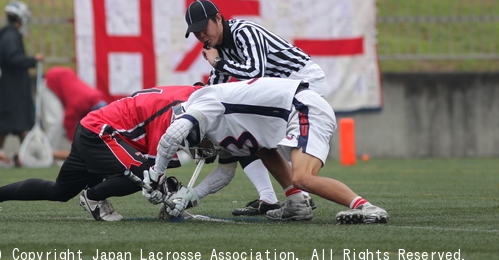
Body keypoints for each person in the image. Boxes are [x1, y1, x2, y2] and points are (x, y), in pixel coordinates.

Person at [144, 77, 389, 224]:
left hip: (302, 108)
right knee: (260, 147)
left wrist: (156, 175)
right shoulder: (212, 123)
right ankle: (296, 203)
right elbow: (225, 173)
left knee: (303, 177)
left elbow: (171, 136)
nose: (203, 151)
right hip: (293, 111)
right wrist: (192, 196)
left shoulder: (203, 103)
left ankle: (365, 207)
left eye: (198, 145)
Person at [0, 84, 202, 222]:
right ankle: (93, 197)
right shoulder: (173, 112)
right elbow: (153, 169)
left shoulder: (192, 95)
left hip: (93, 129)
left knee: (59, 191)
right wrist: (167, 193)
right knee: (144, 175)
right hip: (101, 133)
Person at [184, 0, 327, 216]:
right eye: (196, 32)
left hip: (303, 82)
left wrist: (218, 63)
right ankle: (283, 196)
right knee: (249, 136)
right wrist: (200, 116)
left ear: (219, 19)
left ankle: (300, 193)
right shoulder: (214, 46)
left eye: (204, 28)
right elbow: (216, 86)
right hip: (280, 90)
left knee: (267, 140)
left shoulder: (245, 32)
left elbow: (255, 74)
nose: (202, 35)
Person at [0, 0, 44, 151]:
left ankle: (21, 153)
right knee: (20, 121)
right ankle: (22, 153)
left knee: (9, 123)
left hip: (9, 85)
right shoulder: (11, 36)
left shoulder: (6, 34)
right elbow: (12, 58)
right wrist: (32, 60)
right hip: (13, 87)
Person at [41, 66, 108, 161]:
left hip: (64, 80)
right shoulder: (80, 102)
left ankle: (53, 154)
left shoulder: (98, 98)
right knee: (56, 122)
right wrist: (74, 142)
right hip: (52, 81)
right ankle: (47, 155)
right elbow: (68, 121)